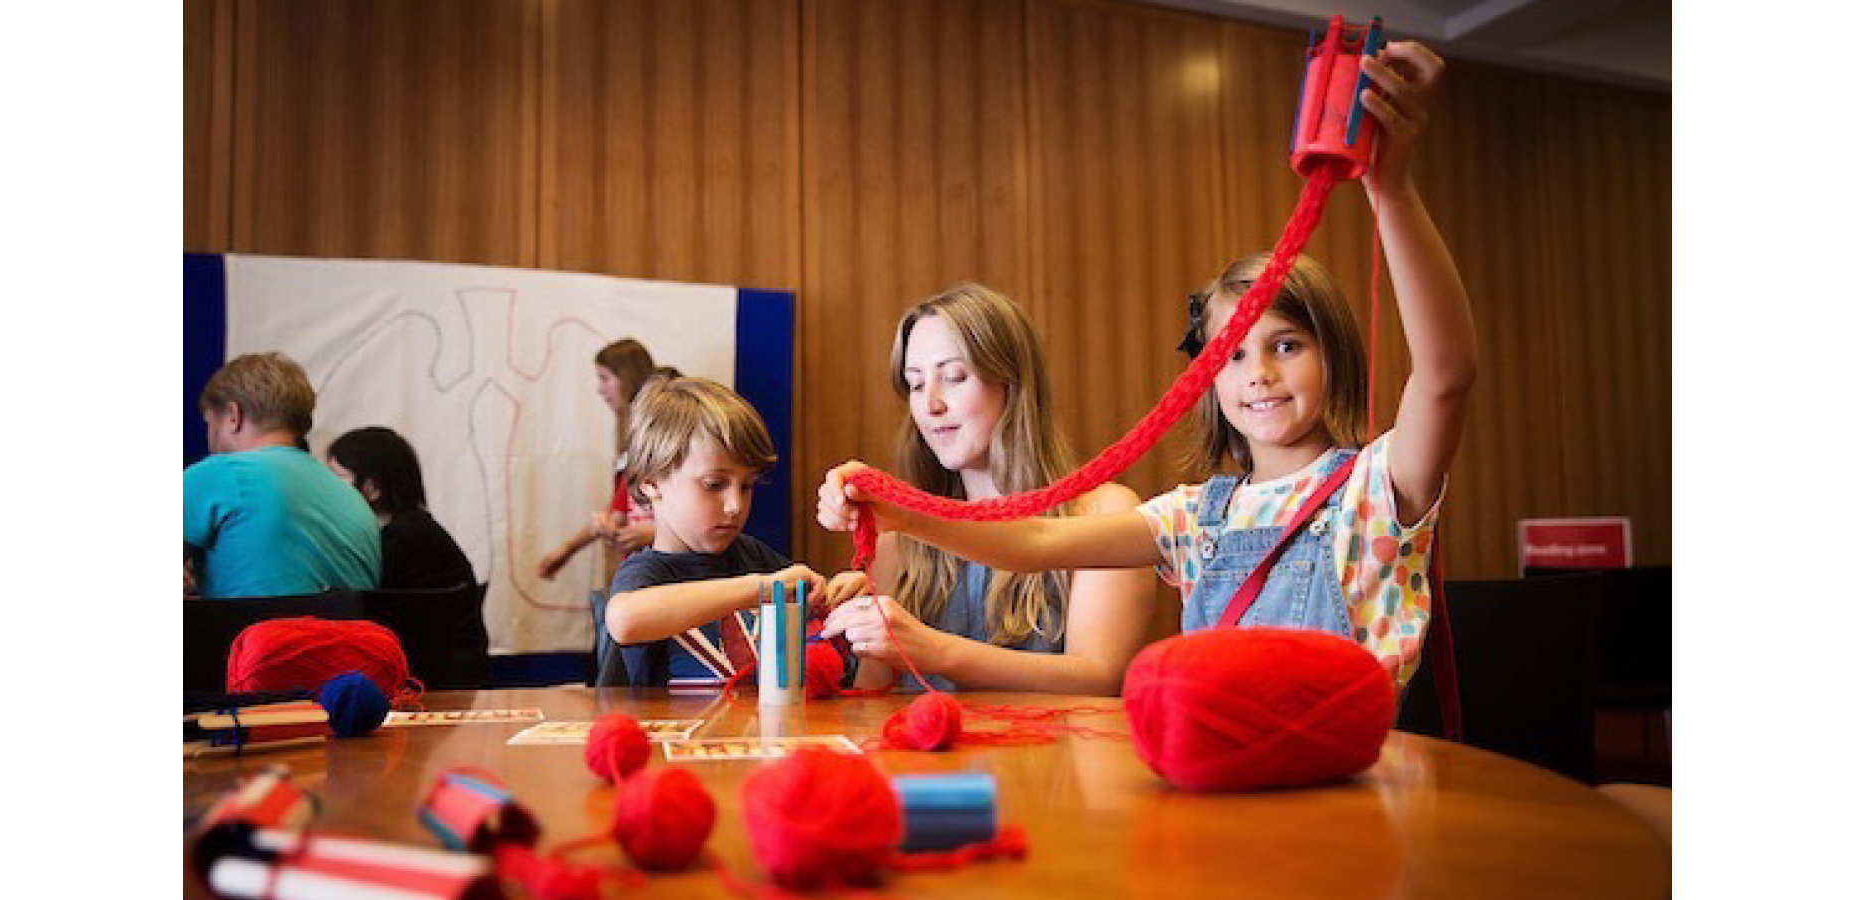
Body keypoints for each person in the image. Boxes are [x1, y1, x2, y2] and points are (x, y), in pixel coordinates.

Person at [819, 41, 1474, 688]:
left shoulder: (1380, 488)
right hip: (1225, 779)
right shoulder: (1194, 516)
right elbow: (1033, 545)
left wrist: (1390, 188)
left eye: (1286, 346)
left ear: (1335, 353)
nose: (1259, 374)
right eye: (1233, 353)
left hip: (1349, 783)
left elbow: (1446, 373)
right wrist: (899, 511)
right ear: (1208, 378)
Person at [816, 284, 1154, 695]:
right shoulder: (899, 537)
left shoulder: (1106, 512)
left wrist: (936, 650)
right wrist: (843, 630)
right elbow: (873, 696)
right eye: (916, 384)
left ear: (1012, 385)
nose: (930, 405)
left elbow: (1100, 678)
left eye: (954, 377)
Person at [604, 377, 869, 685]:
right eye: (714, 485)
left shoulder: (753, 556)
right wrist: (758, 590)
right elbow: (625, 619)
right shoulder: (646, 572)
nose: (735, 505)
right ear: (651, 483)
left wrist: (844, 602)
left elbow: (813, 627)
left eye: (746, 487)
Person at [185, 352, 381, 598]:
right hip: (350, 635)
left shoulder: (221, 474)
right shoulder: (353, 500)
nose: (209, 438)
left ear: (233, 416)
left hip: (246, 634)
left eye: (209, 424)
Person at [538, 339, 658, 578]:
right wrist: (569, 548)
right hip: (635, 562)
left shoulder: (653, 434)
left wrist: (655, 532)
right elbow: (619, 506)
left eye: (605, 378)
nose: (600, 389)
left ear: (627, 378)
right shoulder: (628, 435)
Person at [326, 426, 477, 591]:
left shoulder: (398, 540)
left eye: (338, 477)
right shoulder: (419, 526)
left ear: (373, 488)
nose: (327, 486)